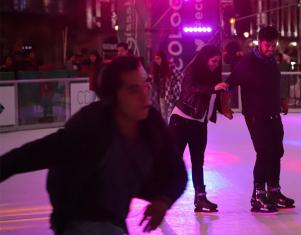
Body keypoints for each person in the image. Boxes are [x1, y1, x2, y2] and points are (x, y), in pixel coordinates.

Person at [0, 56, 187, 235]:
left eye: (146, 85)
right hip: (78, 217)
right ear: (113, 97)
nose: (145, 96)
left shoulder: (151, 123)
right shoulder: (91, 126)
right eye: (133, 90)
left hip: (113, 217)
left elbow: (177, 171)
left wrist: (163, 200)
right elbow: (38, 152)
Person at [225, 26, 294, 213]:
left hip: (273, 113)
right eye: (267, 45)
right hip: (255, 116)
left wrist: (281, 101)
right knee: (264, 152)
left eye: (273, 45)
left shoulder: (271, 61)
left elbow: (273, 84)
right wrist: (224, 105)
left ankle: (274, 191)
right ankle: (257, 195)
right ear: (259, 41)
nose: (271, 49)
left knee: (277, 151)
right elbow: (230, 84)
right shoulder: (247, 62)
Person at [166, 45, 230, 212]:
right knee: (173, 162)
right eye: (213, 61)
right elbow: (191, 89)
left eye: (218, 62)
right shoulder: (192, 69)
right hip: (181, 121)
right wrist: (212, 88)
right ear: (205, 58)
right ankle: (161, 197)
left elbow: (210, 99)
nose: (216, 65)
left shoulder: (213, 74)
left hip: (199, 123)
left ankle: (200, 198)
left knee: (198, 162)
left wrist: (222, 108)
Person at [151, 51, 171, 120]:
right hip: (161, 94)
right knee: (163, 114)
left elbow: (180, 77)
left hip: (170, 94)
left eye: (158, 58)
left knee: (169, 114)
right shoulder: (156, 68)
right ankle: (165, 129)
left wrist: (173, 87)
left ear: (163, 58)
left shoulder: (170, 66)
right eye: (155, 59)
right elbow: (155, 83)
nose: (156, 60)